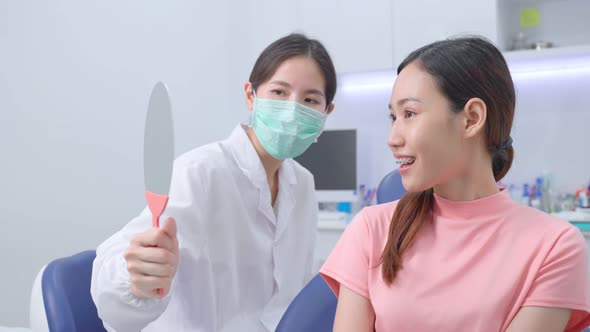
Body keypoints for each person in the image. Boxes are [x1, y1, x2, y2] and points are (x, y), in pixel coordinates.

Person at [320, 36, 590, 331]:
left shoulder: (554, 247)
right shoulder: (371, 230)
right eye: (393, 117)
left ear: (471, 119)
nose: (392, 138)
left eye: (409, 114)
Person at [91, 33, 337, 332]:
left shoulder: (302, 182)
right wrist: (137, 277)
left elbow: (298, 283)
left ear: (326, 113)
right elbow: (117, 280)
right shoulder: (199, 172)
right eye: (279, 92)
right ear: (251, 95)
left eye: (310, 100)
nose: (291, 110)